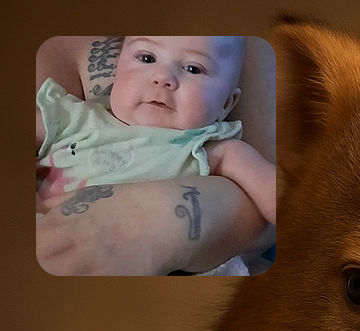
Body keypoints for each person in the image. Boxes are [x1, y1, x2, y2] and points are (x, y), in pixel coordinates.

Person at [35, 36, 275, 275]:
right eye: (147, 58)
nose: (163, 78)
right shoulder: (76, 119)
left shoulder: (212, 148)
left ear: (226, 104)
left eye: (193, 68)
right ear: (116, 72)